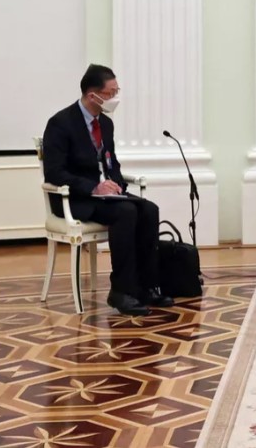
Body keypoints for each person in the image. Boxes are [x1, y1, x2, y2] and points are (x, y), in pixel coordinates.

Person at [42, 64, 171, 316]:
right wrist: (94, 187)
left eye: (116, 91)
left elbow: (111, 162)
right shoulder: (60, 123)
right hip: (75, 197)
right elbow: (54, 172)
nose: (115, 98)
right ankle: (121, 291)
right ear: (93, 96)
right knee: (126, 212)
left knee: (149, 210)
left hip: (107, 196)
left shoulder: (106, 124)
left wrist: (117, 184)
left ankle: (146, 286)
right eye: (111, 93)